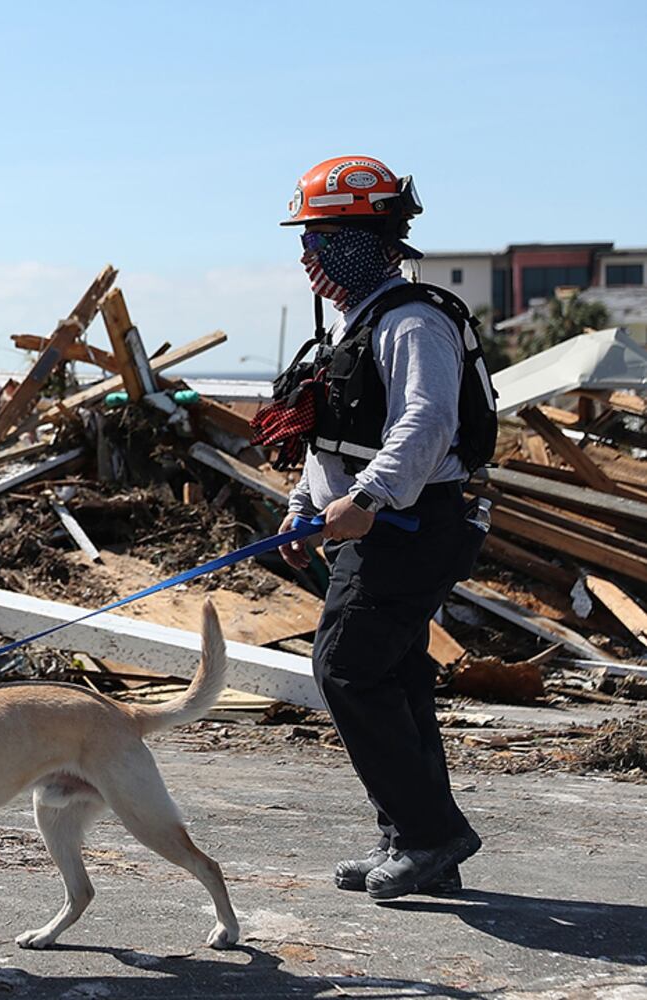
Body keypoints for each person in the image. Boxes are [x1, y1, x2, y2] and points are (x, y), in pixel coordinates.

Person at [257, 155, 498, 901]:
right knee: (393, 675)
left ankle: (431, 835)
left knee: (347, 668)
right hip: (380, 524)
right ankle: (419, 839)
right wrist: (306, 506)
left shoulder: (414, 322)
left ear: (366, 240)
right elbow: (333, 440)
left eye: (322, 240)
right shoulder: (356, 328)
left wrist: (370, 496)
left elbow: (427, 424)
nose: (309, 257)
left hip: (414, 523)